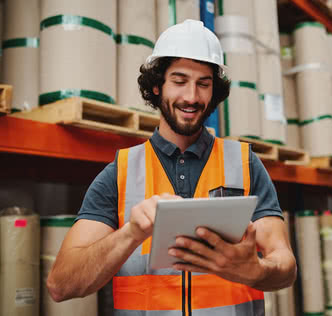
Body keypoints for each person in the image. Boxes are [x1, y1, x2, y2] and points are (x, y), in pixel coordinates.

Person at [47, 19, 297, 315]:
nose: (191, 96)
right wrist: (131, 233)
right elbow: (61, 285)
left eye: (203, 83)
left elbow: (285, 266)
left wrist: (256, 271)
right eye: (179, 81)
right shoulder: (120, 173)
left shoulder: (244, 164)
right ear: (156, 85)